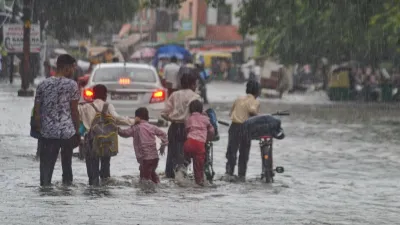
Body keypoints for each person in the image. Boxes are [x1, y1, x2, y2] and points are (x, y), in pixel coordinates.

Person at [33, 54, 80, 186]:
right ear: (66, 68)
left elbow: (37, 111)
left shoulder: (43, 84)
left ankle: (45, 191)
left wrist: (39, 130)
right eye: (73, 68)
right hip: (67, 133)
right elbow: (74, 111)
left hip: (48, 133)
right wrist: (77, 132)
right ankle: (66, 196)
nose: (74, 71)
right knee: (67, 169)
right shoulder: (72, 85)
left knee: (46, 171)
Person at [78, 84, 133, 185]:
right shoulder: (108, 106)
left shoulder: (85, 107)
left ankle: (93, 188)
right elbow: (117, 119)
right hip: (106, 140)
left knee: (92, 171)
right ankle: (105, 189)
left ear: (93, 94)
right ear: (105, 95)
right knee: (105, 169)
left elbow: (78, 119)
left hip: (91, 140)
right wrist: (133, 122)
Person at [161, 72, 202, 179]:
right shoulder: (196, 97)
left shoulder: (174, 95)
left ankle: (170, 176)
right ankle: (181, 178)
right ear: (192, 84)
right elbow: (199, 116)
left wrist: (173, 119)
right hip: (189, 130)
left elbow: (164, 113)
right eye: (195, 84)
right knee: (185, 155)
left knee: (172, 155)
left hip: (174, 128)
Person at [118, 107, 168, 187]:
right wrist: (163, 146)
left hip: (145, 159)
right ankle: (158, 185)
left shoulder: (136, 128)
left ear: (137, 117)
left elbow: (125, 133)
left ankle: (147, 193)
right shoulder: (152, 127)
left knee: (145, 179)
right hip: (155, 158)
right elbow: (164, 135)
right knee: (151, 173)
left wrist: (117, 129)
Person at [225, 80, 261, 182]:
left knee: (231, 152)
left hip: (234, 127)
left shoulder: (238, 99)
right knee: (244, 153)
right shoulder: (255, 101)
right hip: (246, 128)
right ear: (257, 92)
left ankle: (229, 172)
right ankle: (241, 175)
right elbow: (253, 111)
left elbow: (231, 113)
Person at [183, 100, 214, 186]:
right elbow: (211, 131)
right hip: (199, 145)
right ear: (201, 109)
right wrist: (208, 139)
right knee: (198, 169)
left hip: (188, 144)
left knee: (185, 163)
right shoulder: (205, 119)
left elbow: (186, 130)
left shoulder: (189, 119)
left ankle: (181, 176)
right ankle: (199, 185)